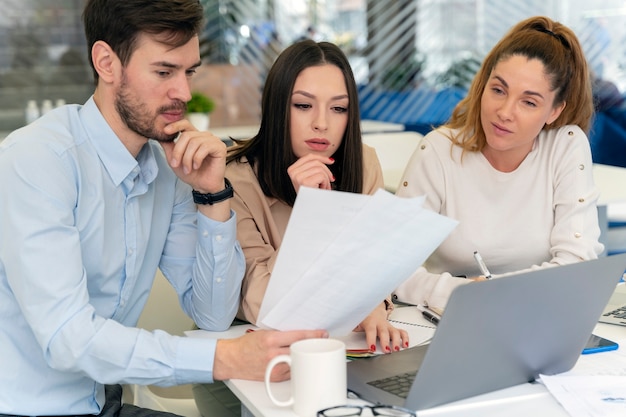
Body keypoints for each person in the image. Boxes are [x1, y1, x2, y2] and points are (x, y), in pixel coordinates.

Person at [0, 1, 325, 416]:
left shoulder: (165, 167)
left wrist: (212, 194)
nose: (185, 93)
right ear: (106, 62)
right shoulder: (38, 162)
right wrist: (225, 358)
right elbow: (69, 338)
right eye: (164, 72)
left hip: (104, 404)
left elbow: (212, 314)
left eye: (189, 72)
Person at [193, 39, 410, 417]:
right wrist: (312, 213)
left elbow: (375, 264)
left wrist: (373, 303)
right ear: (279, 108)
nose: (322, 123)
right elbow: (264, 306)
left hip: (338, 359)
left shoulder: (363, 163)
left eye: (339, 108)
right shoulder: (234, 180)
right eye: (303, 105)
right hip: (253, 378)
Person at [393, 16, 604, 310]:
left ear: (554, 111)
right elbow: (392, 268)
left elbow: (577, 264)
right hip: (450, 318)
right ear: (483, 85)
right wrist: (462, 293)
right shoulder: (438, 151)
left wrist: (494, 294)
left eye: (528, 102)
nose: (504, 112)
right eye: (498, 90)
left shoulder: (566, 145)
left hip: (538, 318)